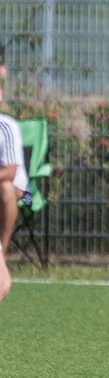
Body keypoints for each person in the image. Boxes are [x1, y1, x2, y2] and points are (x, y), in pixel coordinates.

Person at [1, 55, 29, 306]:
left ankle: (2, 248)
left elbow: (10, 172)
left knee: (5, 187)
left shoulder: (6, 126)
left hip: (17, 191)